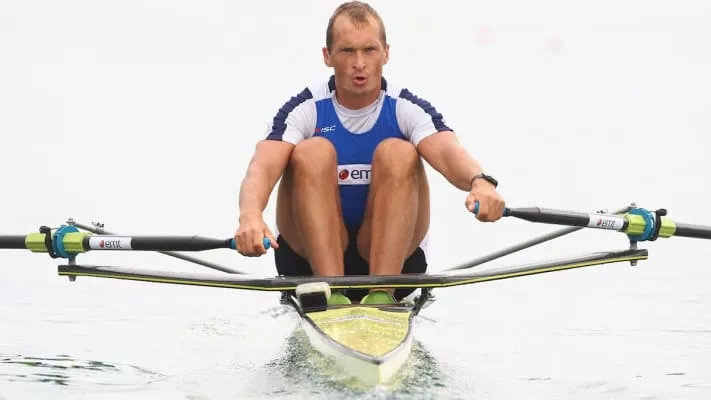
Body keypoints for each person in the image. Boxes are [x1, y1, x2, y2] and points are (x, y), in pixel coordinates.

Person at [234, 1, 505, 305]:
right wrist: (250, 216)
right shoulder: (305, 108)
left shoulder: (406, 107)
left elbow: (447, 150)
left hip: (392, 260)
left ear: (386, 53)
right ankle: (332, 292)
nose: (359, 63)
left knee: (398, 152)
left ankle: (381, 295)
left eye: (369, 50)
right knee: (312, 151)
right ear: (327, 56)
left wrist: (480, 181)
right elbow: (262, 167)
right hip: (308, 262)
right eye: (347, 51)